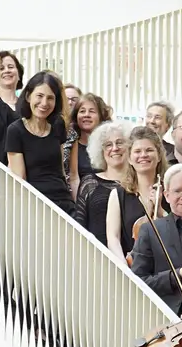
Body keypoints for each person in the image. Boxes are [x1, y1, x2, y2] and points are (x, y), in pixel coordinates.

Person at [129, 163, 182, 313]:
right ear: (166, 195)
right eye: (177, 191)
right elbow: (138, 282)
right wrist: (178, 274)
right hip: (170, 317)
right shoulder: (150, 230)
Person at [6, 71, 77, 215]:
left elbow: (61, 171)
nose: (44, 103)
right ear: (28, 96)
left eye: (50, 98)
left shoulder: (58, 125)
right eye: (39, 96)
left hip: (63, 201)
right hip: (36, 205)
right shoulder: (15, 130)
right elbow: (20, 181)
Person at [106, 125, 167, 261]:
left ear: (158, 156)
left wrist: (161, 211)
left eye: (149, 150)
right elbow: (113, 238)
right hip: (131, 268)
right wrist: (124, 269)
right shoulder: (118, 195)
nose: (143, 155)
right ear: (129, 158)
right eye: (137, 151)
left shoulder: (170, 191)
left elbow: (177, 233)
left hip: (166, 270)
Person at [75, 120, 133, 248]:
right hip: (96, 257)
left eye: (119, 142)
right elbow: (80, 225)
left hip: (131, 259)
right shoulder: (89, 183)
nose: (115, 148)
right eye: (108, 145)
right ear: (100, 151)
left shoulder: (137, 184)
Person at [69, 92, 109, 178]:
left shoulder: (109, 146)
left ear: (101, 116)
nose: (86, 115)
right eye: (82, 111)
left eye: (92, 111)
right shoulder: (69, 146)